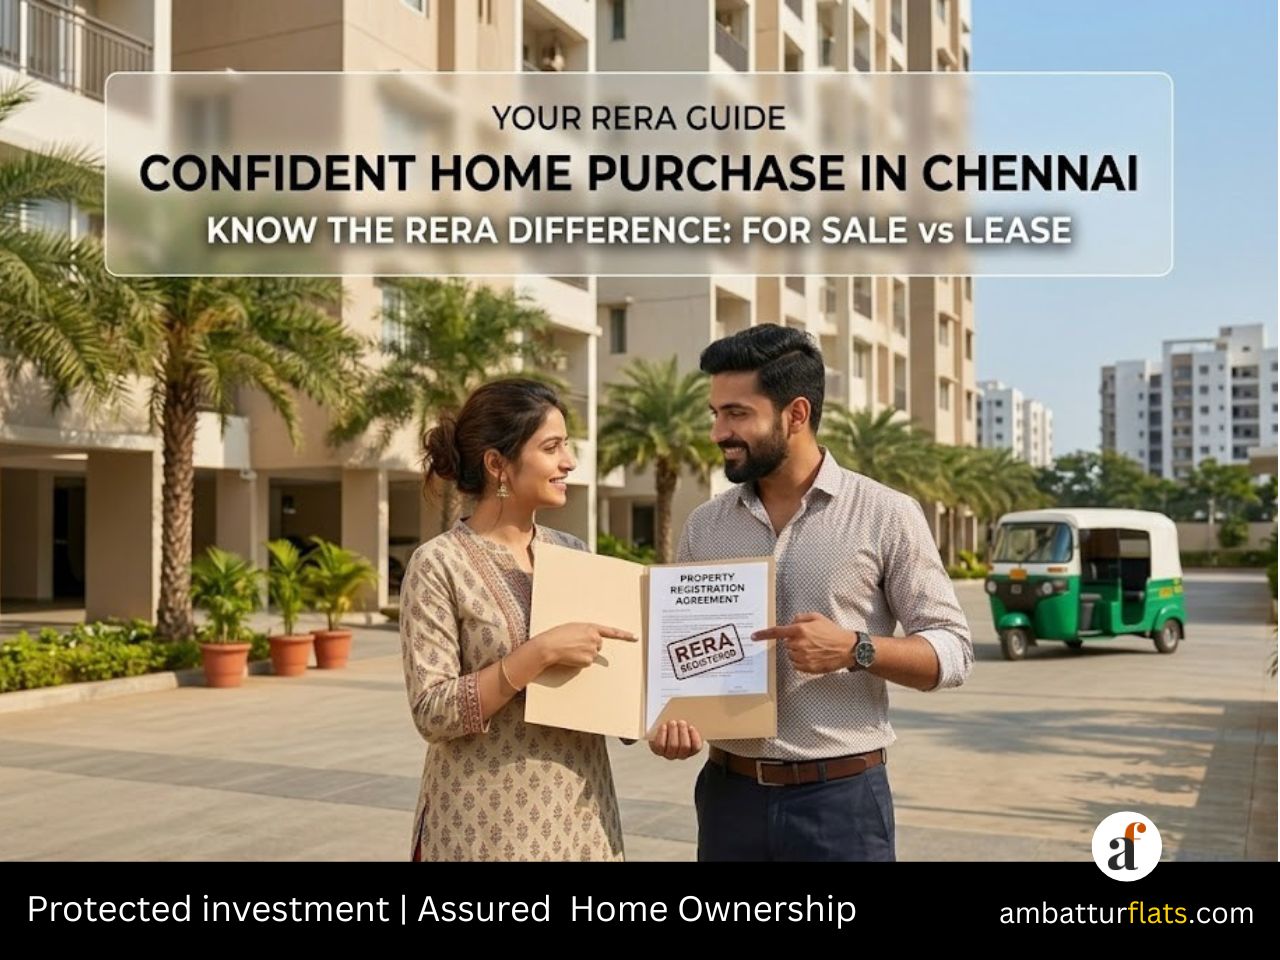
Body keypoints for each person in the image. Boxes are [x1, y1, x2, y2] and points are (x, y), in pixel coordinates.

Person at [649, 325, 973, 861]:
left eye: (736, 414)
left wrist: (855, 648)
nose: (717, 432)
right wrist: (668, 721)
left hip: (841, 805)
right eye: (715, 414)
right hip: (728, 800)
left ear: (795, 414)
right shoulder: (704, 527)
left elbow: (954, 653)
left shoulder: (886, 514)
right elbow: (675, 667)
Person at [401, 378, 635, 861]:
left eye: (566, 447)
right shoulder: (439, 563)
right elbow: (431, 711)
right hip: (484, 824)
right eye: (552, 448)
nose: (568, 462)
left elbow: (614, 688)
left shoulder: (573, 554)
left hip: (580, 817)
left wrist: (660, 714)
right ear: (497, 464)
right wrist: (536, 656)